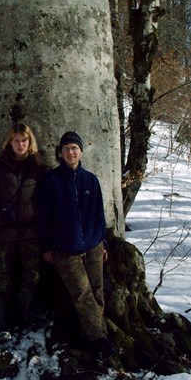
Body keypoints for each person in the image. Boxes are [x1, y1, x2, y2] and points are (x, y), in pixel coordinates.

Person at [38, 131, 113, 359]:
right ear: (60, 153)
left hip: (93, 244)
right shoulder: (51, 181)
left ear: (80, 151)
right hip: (65, 248)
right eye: (66, 148)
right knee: (82, 294)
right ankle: (99, 340)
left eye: (74, 148)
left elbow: (100, 213)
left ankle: (92, 336)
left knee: (98, 292)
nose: (71, 152)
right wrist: (47, 247)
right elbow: (44, 218)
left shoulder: (90, 179)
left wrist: (104, 242)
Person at [0, 122, 45, 341]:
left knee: (31, 276)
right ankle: (3, 323)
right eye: (16, 140)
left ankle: (26, 318)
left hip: (29, 232)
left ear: (30, 142)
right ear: (10, 142)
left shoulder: (37, 166)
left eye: (24, 140)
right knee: (2, 278)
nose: (20, 144)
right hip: (2, 231)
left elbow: (44, 201)